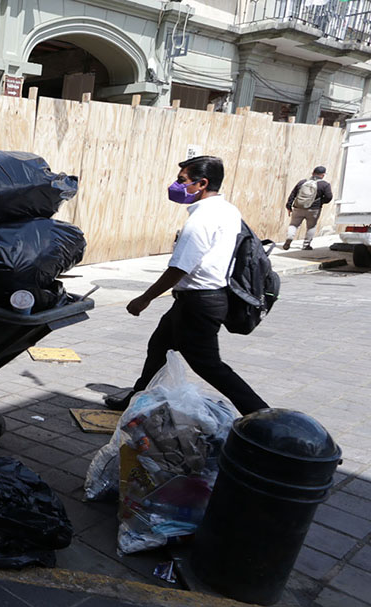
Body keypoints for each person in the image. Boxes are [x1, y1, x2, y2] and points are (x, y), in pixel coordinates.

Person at [105, 156, 268, 416]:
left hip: (199, 302)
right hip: (199, 299)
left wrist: (144, 298)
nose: (175, 185)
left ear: (201, 184)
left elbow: (179, 268)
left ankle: (261, 414)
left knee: (208, 365)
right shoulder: (227, 210)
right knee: (159, 347)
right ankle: (137, 400)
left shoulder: (200, 220)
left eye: (182, 181)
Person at [283, 165, 334, 250]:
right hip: (314, 210)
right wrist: (320, 202)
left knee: (294, 225)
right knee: (311, 227)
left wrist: (289, 206)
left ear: (313, 173)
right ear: (323, 175)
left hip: (298, 208)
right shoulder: (325, 185)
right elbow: (329, 197)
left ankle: (290, 238)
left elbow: (293, 194)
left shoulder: (302, 182)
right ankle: (306, 245)